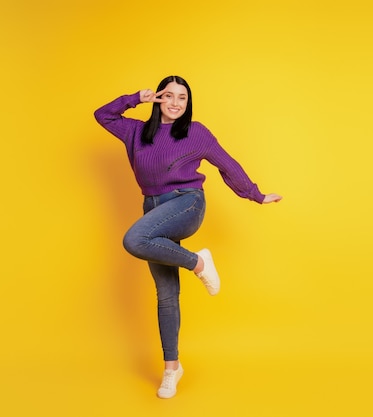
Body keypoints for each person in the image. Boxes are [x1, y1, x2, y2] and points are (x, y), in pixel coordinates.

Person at [94, 75, 282, 399]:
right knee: (166, 294)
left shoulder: (196, 133)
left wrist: (255, 194)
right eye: (169, 96)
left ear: (187, 103)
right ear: (159, 99)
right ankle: (172, 369)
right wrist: (136, 97)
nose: (176, 103)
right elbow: (103, 115)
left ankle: (198, 262)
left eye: (182, 98)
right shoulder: (136, 132)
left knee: (134, 240)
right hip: (152, 208)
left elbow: (227, 164)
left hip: (186, 202)